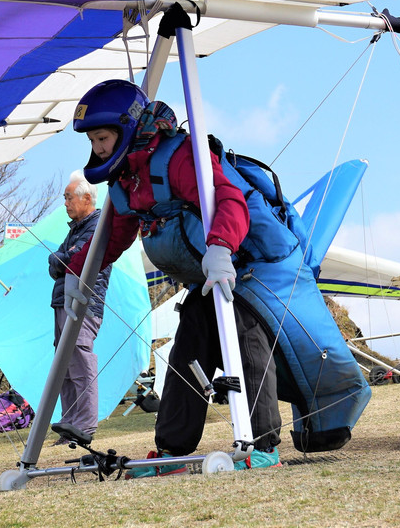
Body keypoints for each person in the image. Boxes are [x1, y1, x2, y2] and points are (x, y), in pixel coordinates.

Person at [66, 80, 284, 477]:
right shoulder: (129, 177)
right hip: (201, 281)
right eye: (93, 140)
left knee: (244, 336)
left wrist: (220, 246)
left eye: (101, 137)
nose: (97, 148)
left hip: (240, 270)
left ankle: (263, 444)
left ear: (126, 127)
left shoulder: (178, 157)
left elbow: (228, 197)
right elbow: (114, 237)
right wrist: (73, 268)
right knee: (186, 353)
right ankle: (171, 451)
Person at [48, 170, 112, 442]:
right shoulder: (74, 229)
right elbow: (58, 266)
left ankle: (84, 424)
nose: (65, 203)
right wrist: (59, 259)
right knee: (64, 364)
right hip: (64, 301)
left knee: (81, 361)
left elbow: (74, 261)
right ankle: (69, 423)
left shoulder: (97, 226)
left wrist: (58, 258)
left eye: (68, 197)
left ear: (87, 198)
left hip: (83, 303)